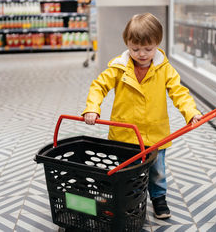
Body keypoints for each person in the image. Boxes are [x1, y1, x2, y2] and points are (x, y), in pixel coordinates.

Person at [82, 13, 202, 219]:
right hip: (125, 134)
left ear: (157, 44)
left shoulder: (164, 69)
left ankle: (158, 198)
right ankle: (131, 198)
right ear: (127, 44)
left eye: (148, 49)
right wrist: (92, 108)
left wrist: (191, 113)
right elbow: (98, 86)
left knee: (157, 171)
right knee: (128, 170)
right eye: (135, 49)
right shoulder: (118, 68)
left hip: (156, 133)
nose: (142, 54)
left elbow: (179, 92)